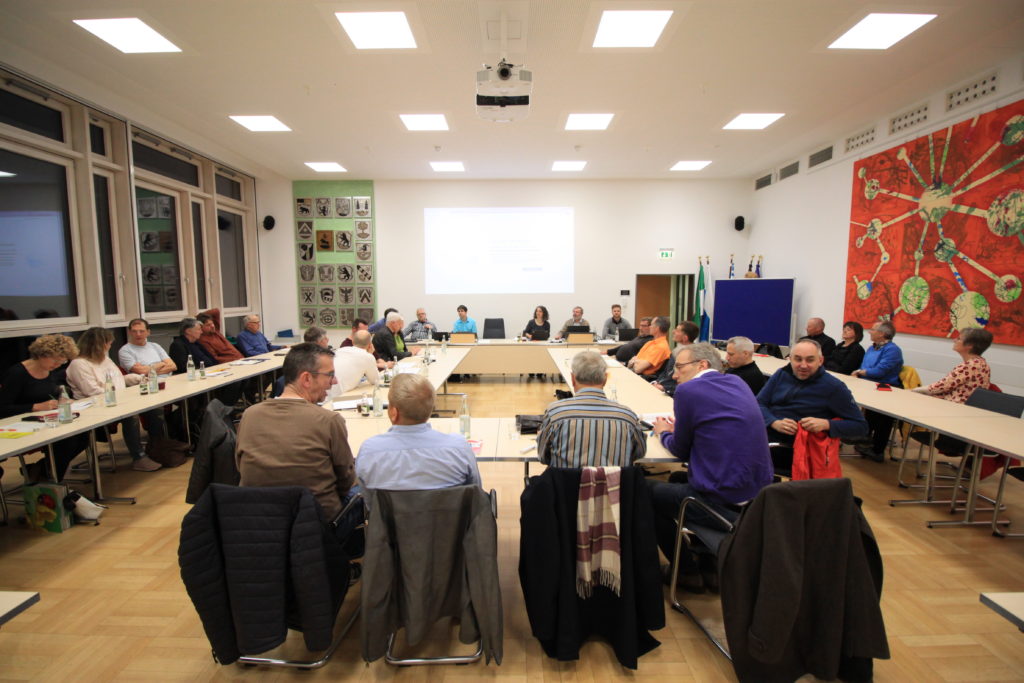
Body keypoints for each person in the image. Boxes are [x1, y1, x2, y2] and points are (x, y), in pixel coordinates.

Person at [649, 343, 773, 591]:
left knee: (643, 491)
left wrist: (663, 432)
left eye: (679, 368)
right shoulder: (737, 383)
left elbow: (680, 450)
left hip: (721, 498)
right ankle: (709, 562)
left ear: (702, 365)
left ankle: (685, 572)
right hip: (756, 497)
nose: (674, 375)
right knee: (677, 479)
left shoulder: (688, 391)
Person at [235, 343, 356, 533]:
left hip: (259, 523)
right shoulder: (329, 420)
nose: (334, 381)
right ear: (306, 378)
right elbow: (345, 480)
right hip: (317, 524)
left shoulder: (249, 415)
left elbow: (240, 466)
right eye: (330, 375)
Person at [356, 373, 481, 490]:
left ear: (394, 412)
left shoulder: (369, 451)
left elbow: (365, 497)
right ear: (430, 409)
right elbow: (475, 492)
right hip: (448, 507)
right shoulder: (459, 448)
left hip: (387, 508)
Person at [66, 327, 163, 472]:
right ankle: (139, 457)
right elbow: (92, 391)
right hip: (95, 406)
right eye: (109, 344)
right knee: (131, 415)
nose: (110, 346)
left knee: (154, 408)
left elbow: (118, 380)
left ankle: (158, 447)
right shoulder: (79, 364)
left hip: (118, 400)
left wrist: (138, 378)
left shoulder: (105, 359)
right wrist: (122, 395)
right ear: (100, 345)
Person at [0, 334, 88, 482]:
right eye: (55, 359)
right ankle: (49, 480)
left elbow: (49, 393)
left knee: (83, 435)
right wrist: (35, 407)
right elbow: (3, 408)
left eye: (62, 361)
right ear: (42, 354)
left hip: (45, 421)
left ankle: (41, 471)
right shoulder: (17, 373)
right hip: (19, 424)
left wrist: (62, 400)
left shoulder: (50, 371)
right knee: (67, 440)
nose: (58, 364)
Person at [536, 350, 646, 468]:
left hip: (564, 480)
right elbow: (639, 453)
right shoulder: (627, 416)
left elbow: (543, 456)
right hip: (615, 480)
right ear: (605, 379)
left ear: (572, 379)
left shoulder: (555, 413)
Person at [758, 339, 868, 448]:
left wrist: (827, 424)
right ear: (790, 359)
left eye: (810, 360)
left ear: (820, 361)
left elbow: (860, 426)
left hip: (798, 448)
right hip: (766, 434)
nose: (803, 365)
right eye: (798, 359)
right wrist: (773, 422)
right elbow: (759, 403)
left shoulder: (833, 387)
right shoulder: (782, 374)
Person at [852, 321, 904, 462]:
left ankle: (877, 450)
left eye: (873, 329)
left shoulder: (892, 350)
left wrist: (861, 372)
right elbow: (864, 366)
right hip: (868, 385)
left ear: (882, 334)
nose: (870, 332)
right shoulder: (871, 348)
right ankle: (865, 441)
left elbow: (880, 371)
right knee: (868, 416)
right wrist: (860, 373)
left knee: (881, 420)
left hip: (886, 389)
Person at [913, 327, 992, 404]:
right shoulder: (981, 363)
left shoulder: (971, 365)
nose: (954, 340)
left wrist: (914, 390)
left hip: (956, 406)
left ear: (970, 345)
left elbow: (941, 386)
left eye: (959, 339)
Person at [651, 321, 699, 395]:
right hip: (660, 386)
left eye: (677, 330)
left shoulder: (692, 356)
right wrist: (657, 382)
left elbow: (687, 382)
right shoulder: (675, 351)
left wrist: (664, 388)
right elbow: (666, 372)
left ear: (685, 338)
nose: (673, 332)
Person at [331, 330, 379, 396]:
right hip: (340, 396)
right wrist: (370, 354)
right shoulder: (368, 357)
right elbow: (375, 380)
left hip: (326, 393)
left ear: (352, 341)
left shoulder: (339, 350)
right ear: (370, 345)